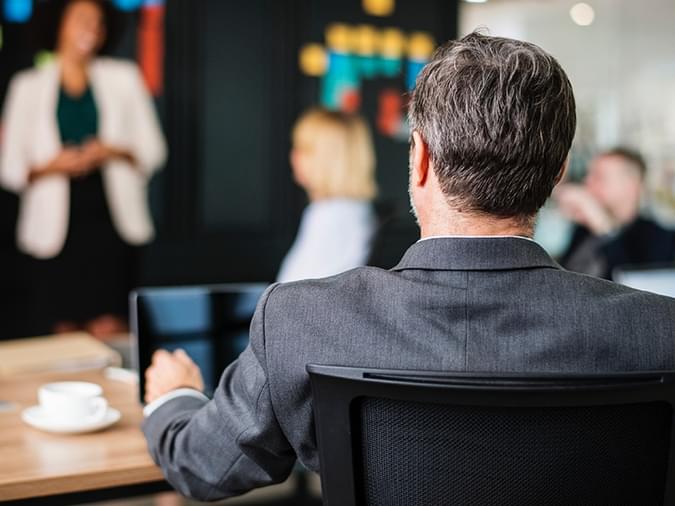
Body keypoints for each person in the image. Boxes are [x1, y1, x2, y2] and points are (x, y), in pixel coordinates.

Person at [142, 33, 675, 501]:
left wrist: (175, 398)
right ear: (558, 174)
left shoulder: (300, 320)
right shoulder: (660, 331)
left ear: (419, 157)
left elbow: (202, 467)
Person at [0, 0, 167, 338]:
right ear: (59, 24)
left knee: (111, 328)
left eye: (99, 22)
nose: (92, 29)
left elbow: (154, 151)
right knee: (62, 332)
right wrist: (53, 166)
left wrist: (110, 150)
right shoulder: (27, 86)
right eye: (82, 20)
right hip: (54, 231)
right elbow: (10, 168)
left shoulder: (124, 78)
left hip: (110, 223)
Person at [276, 108, 377, 283]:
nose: (293, 156)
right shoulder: (356, 211)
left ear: (326, 158)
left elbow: (288, 292)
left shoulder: (330, 215)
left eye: (303, 149)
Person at [556, 148, 675, 279]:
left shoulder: (661, 239)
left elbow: (631, 286)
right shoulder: (583, 230)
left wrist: (602, 226)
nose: (587, 181)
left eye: (599, 177)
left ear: (631, 186)